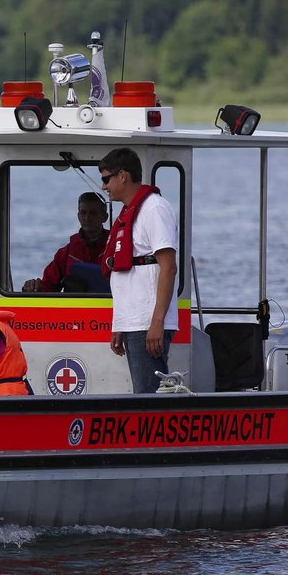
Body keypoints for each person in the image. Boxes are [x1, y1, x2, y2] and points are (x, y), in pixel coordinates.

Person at [99, 147, 178, 394]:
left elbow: (168, 267)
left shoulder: (154, 208)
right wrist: (120, 322)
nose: (104, 186)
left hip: (147, 321)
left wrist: (157, 323)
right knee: (141, 394)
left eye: (106, 179)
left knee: (149, 396)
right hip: (133, 321)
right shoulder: (128, 212)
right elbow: (128, 274)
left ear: (123, 175)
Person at [22, 192, 110, 292]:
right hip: (75, 307)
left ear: (105, 217)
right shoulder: (66, 254)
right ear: (78, 216)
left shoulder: (116, 248)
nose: (87, 218)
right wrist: (33, 286)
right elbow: (48, 286)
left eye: (93, 213)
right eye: (83, 213)